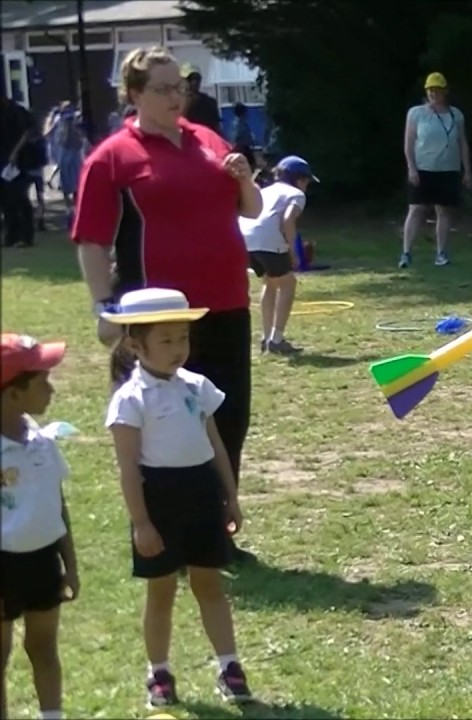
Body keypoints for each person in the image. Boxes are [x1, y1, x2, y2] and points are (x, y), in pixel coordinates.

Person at [72, 47, 263, 562]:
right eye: (162, 88)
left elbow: (249, 208)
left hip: (224, 304)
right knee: (155, 429)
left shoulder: (209, 141)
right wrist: (101, 308)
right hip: (155, 318)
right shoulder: (112, 157)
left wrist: (246, 178)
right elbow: (91, 240)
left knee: (226, 419)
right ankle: (157, 535)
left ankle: (214, 530)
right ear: (134, 95)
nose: (177, 96)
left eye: (180, 86)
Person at [103, 288, 253, 709]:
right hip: (160, 500)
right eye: (165, 340)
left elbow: (216, 445)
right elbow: (128, 467)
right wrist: (141, 522)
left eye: (182, 338)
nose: (177, 349)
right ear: (136, 344)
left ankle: (229, 666)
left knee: (210, 585)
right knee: (162, 592)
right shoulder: (130, 400)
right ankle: (160, 673)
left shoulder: (197, 386)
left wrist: (231, 496)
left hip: (202, 494)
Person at [1, 334, 78, 720]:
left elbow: (56, 504)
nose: (52, 388)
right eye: (42, 381)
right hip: (3, 565)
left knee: (44, 649)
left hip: (43, 562)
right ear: (13, 394)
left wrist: (71, 563)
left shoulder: (42, 442)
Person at [239, 155, 317, 354]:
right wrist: (292, 250)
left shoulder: (265, 190)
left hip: (245, 240)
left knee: (270, 283)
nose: (306, 185)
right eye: (306, 180)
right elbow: (288, 219)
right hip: (268, 240)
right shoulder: (296, 194)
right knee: (288, 284)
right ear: (299, 179)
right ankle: (277, 339)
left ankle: (266, 338)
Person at [401, 72, 472, 268]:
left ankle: (441, 253)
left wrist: (467, 171)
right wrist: (412, 168)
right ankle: (406, 253)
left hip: (448, 169)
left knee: (443, 211)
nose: (434, 93)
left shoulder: (456, 114)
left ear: (445, 92)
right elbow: (408, 143)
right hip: (423, 168)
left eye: (437, 90)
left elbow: (462, 143)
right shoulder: (416, 113)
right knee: (416, 209)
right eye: (430, 90)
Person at [1, 85, 36, 248]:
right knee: (6, 200)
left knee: (19, 197)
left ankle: (25, 236)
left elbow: (28, 131)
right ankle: (11, 235)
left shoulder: (17, 111)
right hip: (3, 161)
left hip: (18, 161)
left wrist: (15, 152)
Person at [179, 65, 222, 133]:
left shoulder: (209, 102)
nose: (194, 82)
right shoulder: (175, 101)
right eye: (190, 79)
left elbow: (216, 127)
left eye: (196, 79)